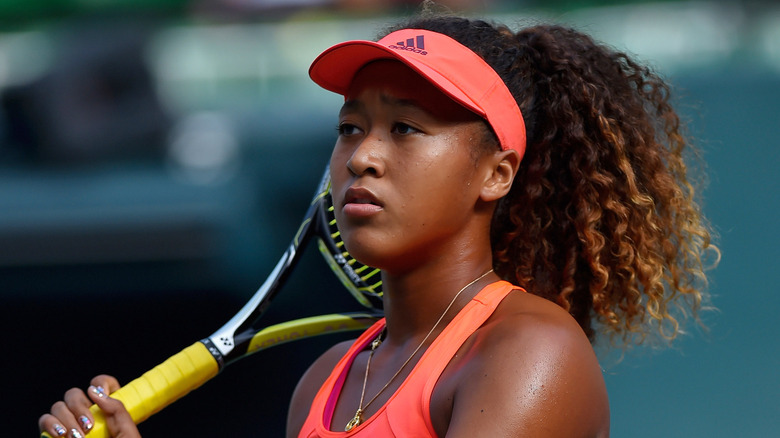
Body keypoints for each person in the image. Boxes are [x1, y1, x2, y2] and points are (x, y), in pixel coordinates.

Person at [39, 11, 718, 438]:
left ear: (497, 173)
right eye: (350, 127)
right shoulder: (325, 381)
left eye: (405, 128)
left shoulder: (530, 357)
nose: (363, 155)